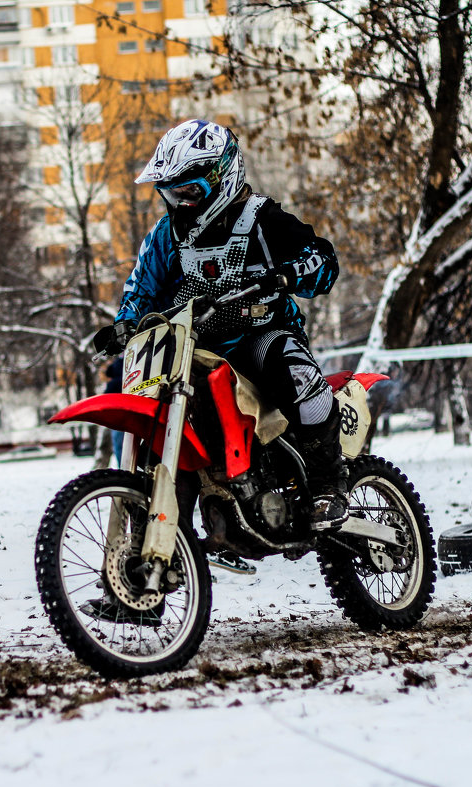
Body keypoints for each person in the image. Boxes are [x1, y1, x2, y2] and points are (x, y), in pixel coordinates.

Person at [108, 119, 347, 531]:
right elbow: (140, 289)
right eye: (171, 194)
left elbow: (323, 261)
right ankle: (166, 542)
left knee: (287, 366)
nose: (180, 203)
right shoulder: (167, 235)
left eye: (189, 192)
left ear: (221, 177)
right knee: (153, 406)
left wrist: (290, 274)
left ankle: (329, 484)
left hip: (258, 336)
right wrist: (125, 324)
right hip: (193, 347)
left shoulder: (263, 221)